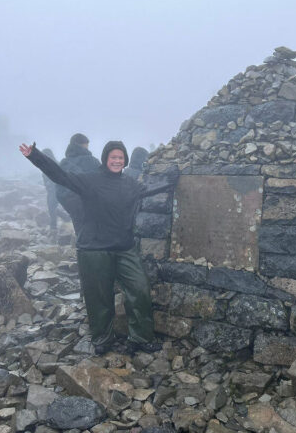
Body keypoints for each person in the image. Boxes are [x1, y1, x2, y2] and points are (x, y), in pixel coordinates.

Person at [19, 140, 178, 355]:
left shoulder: (129, 183)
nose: (117, 161)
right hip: (93, 248)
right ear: (105, 159)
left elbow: (151, 189)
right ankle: (103, 339)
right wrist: (34, 156)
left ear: (125, 161)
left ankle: (140, 337)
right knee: (98, 297)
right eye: (113, 157)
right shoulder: (90, 180)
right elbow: (60, 176)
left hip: (124, 247)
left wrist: (176, 178)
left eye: (120, 158)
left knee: (140, 289)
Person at [56, 133, 100, 235]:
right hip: (90, 205)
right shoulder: (91, 161)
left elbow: (58, 187)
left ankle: (81, 248)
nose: (88, 148)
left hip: (71, 205)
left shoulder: (64, 163)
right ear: (82, 145)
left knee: (80, 231)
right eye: (87, 145)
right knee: (94, 233)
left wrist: (68, 202)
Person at [41, 148, 61, 240]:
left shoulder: (55, 164)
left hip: (56, 189)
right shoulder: (45, 165)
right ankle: (64, 221)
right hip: (52, 190)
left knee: (52, 207)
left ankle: (54, 229)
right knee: (52, 208)